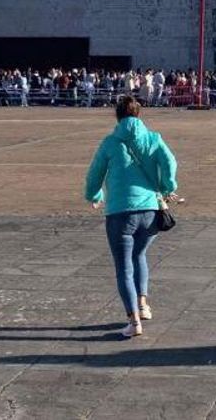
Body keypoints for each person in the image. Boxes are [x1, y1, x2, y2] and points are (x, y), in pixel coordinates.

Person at [84, 96, 178, 339]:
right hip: (150, 210)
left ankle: (133, 321)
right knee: (140, 255)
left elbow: (95, 172)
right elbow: (169, 161)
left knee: (123, 268)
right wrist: (168, 186)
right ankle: (144, 304)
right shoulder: (153, 138)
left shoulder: (110, 143)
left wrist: (93, 194)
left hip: (119, 212)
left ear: (117, 116)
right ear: (139, 114)